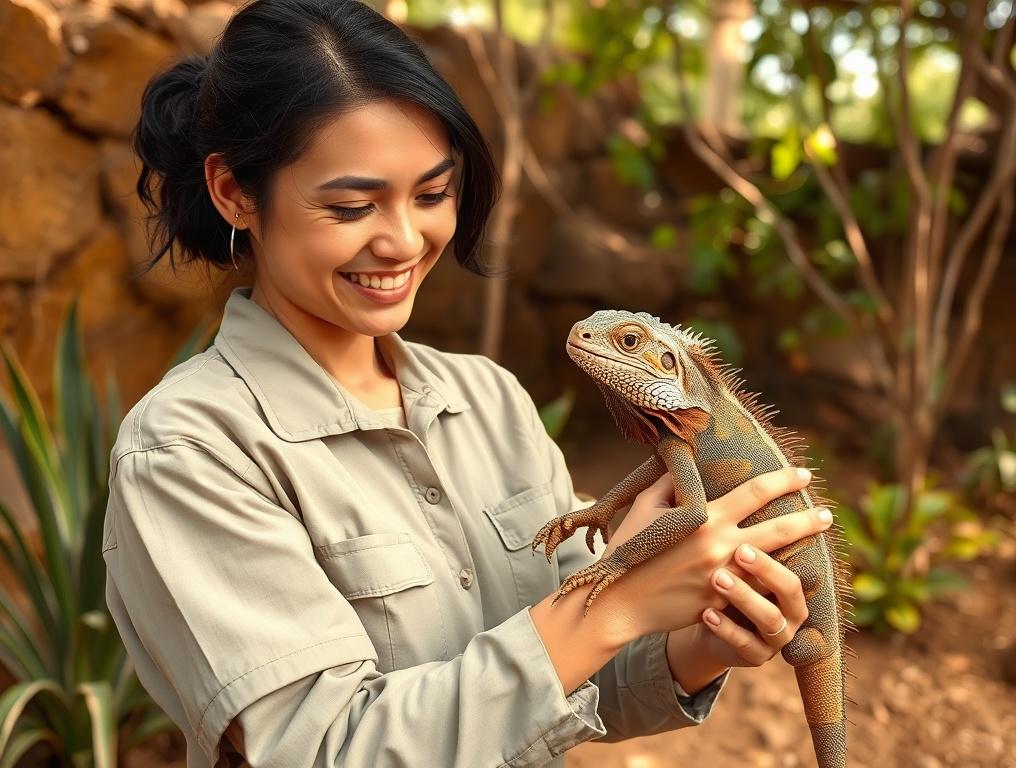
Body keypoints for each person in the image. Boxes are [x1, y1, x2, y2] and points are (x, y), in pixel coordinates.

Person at [101, 0, 834, 766]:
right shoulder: (188, 453)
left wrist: (701, 640)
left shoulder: (491, 400)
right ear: (235, 193)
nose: (404, 240)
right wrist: (612, 605)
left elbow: (575, 691)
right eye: (353, 205)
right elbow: (322, 751)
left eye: (431, 194)